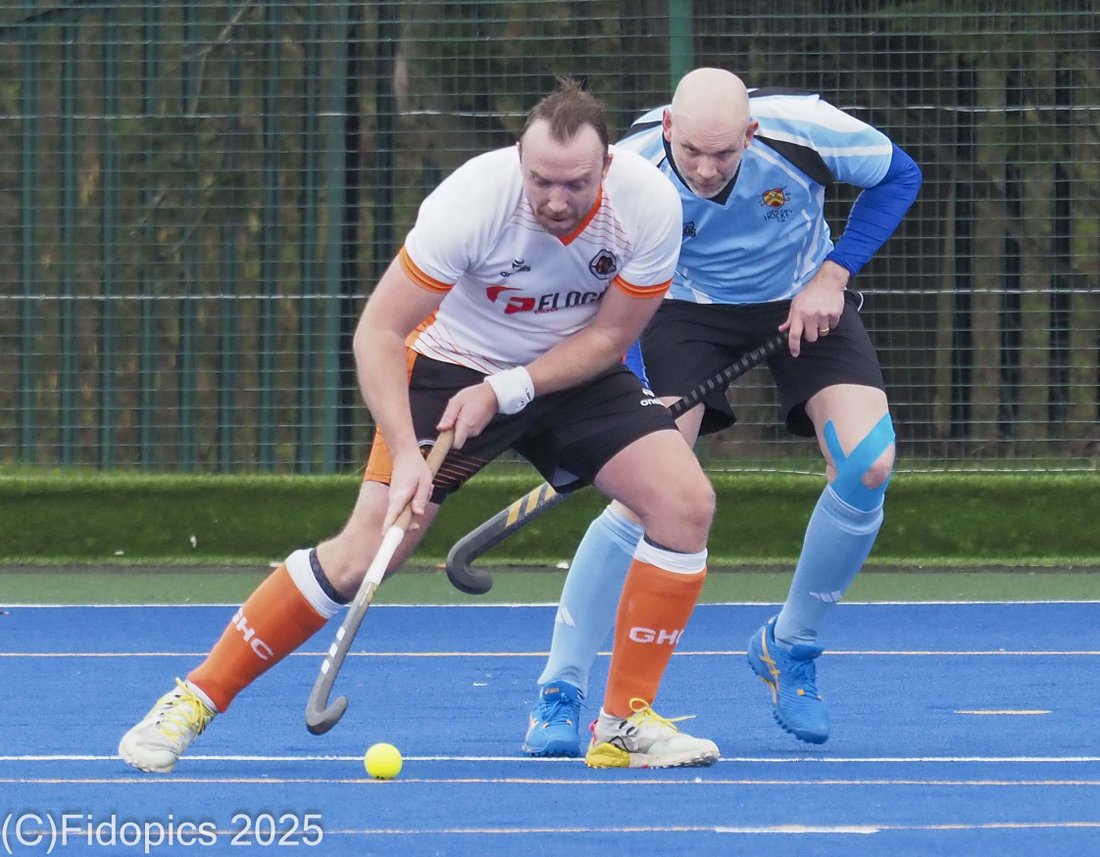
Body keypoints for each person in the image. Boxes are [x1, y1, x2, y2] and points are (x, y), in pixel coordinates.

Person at [119, 78, 721, 773]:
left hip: (570, 372)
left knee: (685, 503)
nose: (557, 201)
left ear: (607, 166)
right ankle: (193, 700)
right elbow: (378, 330)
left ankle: (623, 725)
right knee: (366, 552)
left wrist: (508, 389)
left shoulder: (648, 206)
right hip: (450, 365)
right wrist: (407, 452)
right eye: (541, 181)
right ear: (518, 160)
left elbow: (611, 335)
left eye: (575, 184)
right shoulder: (472, 202)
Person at [521, 68, 922, 757]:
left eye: (724, 154)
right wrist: (637, 388)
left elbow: (899, 175)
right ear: (667, 128)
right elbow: (604, 289)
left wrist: (835, 274)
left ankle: (789, 646)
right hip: (679, 310)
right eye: (692, 152)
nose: (706, 170)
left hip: (803, 296)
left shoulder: (808, 131)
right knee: (644, 492)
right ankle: (560, 689)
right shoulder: (623, 171)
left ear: (752, 134)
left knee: (869, 462)